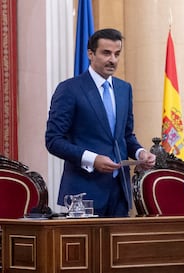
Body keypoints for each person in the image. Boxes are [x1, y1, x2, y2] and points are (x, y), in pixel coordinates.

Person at [45, 28, 156, 217]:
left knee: (117, 246)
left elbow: (125, 135)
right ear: (90, 54)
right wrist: (92, 159)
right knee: (88, 248)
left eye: (117, 54)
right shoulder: (69, 89)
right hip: (83, 192)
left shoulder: (124, 89)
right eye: (106, 53)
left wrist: (140, 152)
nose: (112, 59)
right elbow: (53, 140)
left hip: (119, 191)